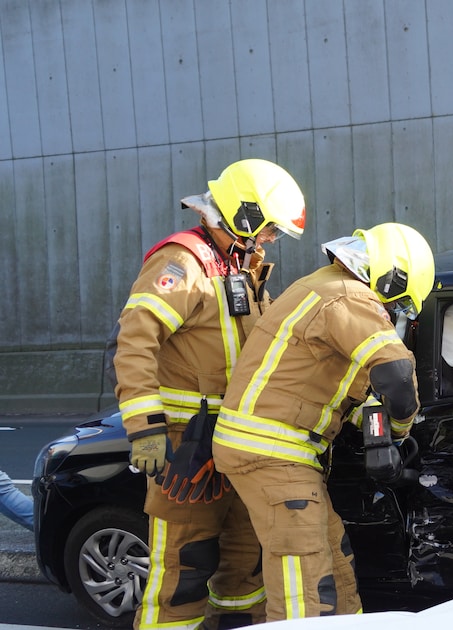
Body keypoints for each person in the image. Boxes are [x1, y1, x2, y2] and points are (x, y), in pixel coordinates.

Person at [113, 158, 307, 630]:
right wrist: (145, 428)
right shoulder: (183, 264)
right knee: (183, 571)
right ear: (244, 217)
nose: (269, 241)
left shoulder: (237, 265)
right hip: (185, 445)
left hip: (234, 444)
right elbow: (136, 341)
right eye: (268, 231)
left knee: (244, 568)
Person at [211, 222, 435, 621]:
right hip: (273, 452)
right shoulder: (348, 297)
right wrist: (400, 434)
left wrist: (377, 429)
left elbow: (348, 385)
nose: (392, 316)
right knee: (304, 580)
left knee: (334, 558)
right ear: (390, 277)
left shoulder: (324, 287)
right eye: (398, 305)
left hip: (279, 450)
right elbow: (397, 375)